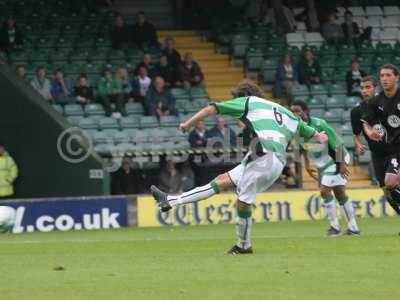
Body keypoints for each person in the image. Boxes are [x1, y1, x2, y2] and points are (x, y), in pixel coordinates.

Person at [150, 80, 328, 255]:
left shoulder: (247, 101)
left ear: (243, 96)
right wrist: (319, 136)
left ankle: (243, 245)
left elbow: (211, 109)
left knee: (243, 202)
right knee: (220, 181)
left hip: (265, 156)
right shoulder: (282, 110)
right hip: (270, 159)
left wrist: (187, 125)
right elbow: (305, 129)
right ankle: (171, 201)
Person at [290, 100, 360, 236]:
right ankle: (353, 228)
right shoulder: (296, 130)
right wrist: (307, 165)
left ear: (306, 111)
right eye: (292, 111)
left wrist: (341, 164)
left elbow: (337, 142)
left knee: (324, 191)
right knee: (340, 193)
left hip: (336, 158)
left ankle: (335, 227)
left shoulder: (319, 124)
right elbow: (302, 149)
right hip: (323, 164)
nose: (295, 114)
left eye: (298, 111)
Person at [362, 64, 400, 216]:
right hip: (393, 150)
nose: (384, 79)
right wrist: (370, 132)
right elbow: (366, 122)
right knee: (389, 184)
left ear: (397, 77)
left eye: (388, 75)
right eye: (382, 76)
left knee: (392, 183)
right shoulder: (376, 102)